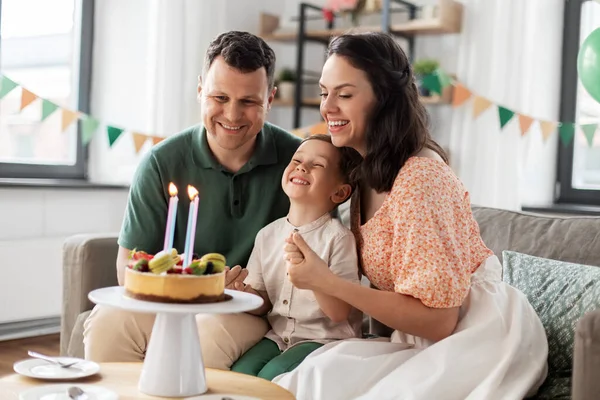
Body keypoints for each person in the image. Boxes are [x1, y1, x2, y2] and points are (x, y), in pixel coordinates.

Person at [272, 32, 549, 400]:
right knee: (313, 377)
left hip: (481, 333)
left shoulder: (421, 177)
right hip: (419, 336)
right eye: (325, 93)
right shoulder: (362, 173)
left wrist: (329, 282)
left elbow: (439, 319)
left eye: (345, 94)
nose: (328, 107)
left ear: (384, 100)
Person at [83, 31, 302, 369]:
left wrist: (253, 296)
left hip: (249, 310)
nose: (232, 115)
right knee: (108, 322)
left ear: (270, 99)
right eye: (219, 97)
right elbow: (128, 271)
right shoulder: (161, 162)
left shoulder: (299, 163)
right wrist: (192, 286)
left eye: (248, 101)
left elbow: (307, 271)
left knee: (207, 334)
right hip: (169, 300)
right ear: (200, 90)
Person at [228, 134, 364, 380]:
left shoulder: (339, 238)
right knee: (240, 375)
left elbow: (339, 313)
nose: (302, 167)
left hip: (324, 340)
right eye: (298, 160)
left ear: (340, 192)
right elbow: (264, 303)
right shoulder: (267, 235)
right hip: (278, 336)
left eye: (317, 165)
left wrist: (314, 278)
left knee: (272, 376)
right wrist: (243, 294)